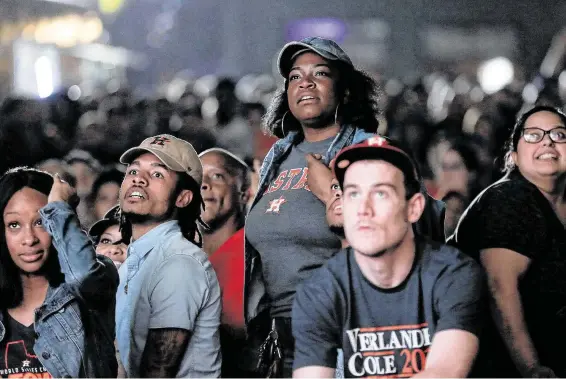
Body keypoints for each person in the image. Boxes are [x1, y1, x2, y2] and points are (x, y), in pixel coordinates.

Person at [245, 37, 445, 377]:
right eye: (295, 76)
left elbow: (409, 234)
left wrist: (333, 192)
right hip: (286, 338)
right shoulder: (277, 159)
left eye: (320, 74)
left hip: (352, 331)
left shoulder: (370, 151)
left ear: (346, 91)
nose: (305, 83)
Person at [292, 136, 486, 378]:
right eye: (352, 193)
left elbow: (444, 372)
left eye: (380, 193)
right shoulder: (319, 291)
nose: (363, 209)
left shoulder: (454, 274)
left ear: (413, 208)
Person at [449, 105, 566, 377]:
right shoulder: (510, 199)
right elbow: (500, 288)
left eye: (559, 135)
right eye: (534, 135)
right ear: (513, 156)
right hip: (499, 368)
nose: (548, 140)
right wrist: (531, 367)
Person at [115, 134, 222, 378]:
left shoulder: (179, 263)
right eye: (132, 171)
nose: (138, 180)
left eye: (157, 174)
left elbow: (157, 373)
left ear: (183, 198)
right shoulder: (133, 261)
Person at [0, 167, 118, 378]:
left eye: (40, 222)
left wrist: (59, 208)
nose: (29, 239)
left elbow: (82, 275)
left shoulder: (95, 279)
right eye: (14, 224)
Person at [198, 147, 251, 377]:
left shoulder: (258, 251)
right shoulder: (175, 252)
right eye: (196, 178)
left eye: (217, 176)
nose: (204, 184)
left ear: (244, 193)